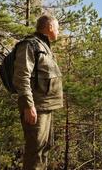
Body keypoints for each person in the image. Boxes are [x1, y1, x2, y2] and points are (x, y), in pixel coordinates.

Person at [13, 15, 63, 170]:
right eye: (58, 28)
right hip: (36, 107)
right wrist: (28, 105)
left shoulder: (44, 47)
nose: (59, 32)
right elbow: (21, 76)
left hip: (45, 106)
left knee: (44, 147)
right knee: (35, 150)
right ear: (49, 28)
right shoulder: (30, 45)